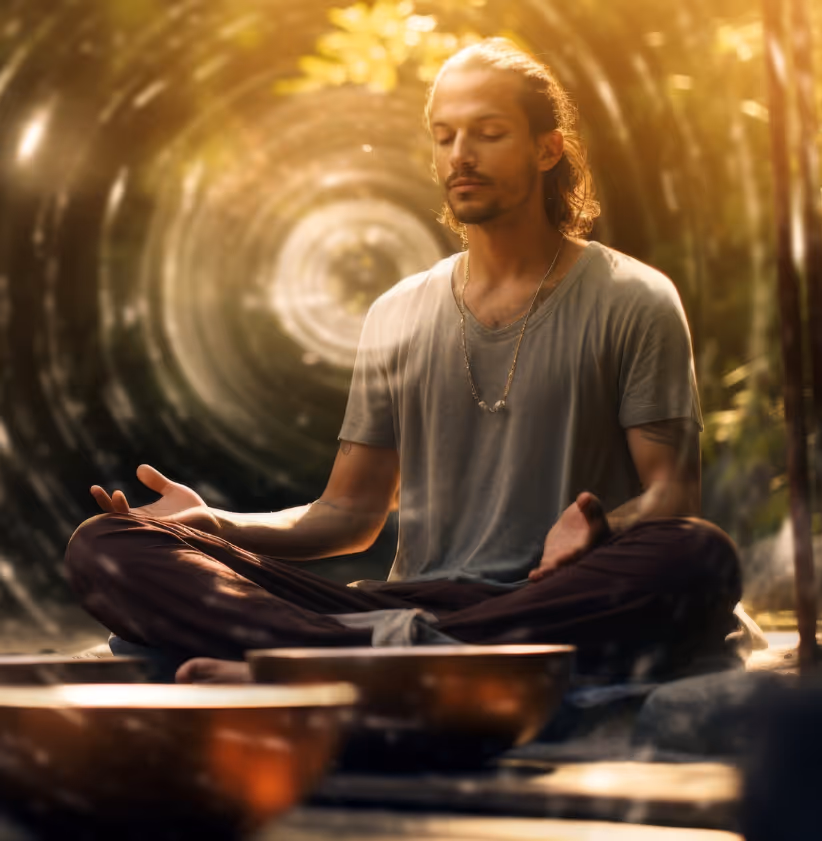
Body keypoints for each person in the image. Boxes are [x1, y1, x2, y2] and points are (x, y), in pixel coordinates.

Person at [65, 38, 741, 684]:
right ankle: (387, 657)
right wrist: (216, 523)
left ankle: (332, 657)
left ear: (547, 148)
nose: (461, 155)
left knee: (696, 555)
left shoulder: (634, 298)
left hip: (553, 599)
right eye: (445, 136)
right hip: (411, 602)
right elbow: (350, 512)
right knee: (108, 547)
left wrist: (603, 525)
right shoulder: (396, 312)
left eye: (488, 132)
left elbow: (673, 494)